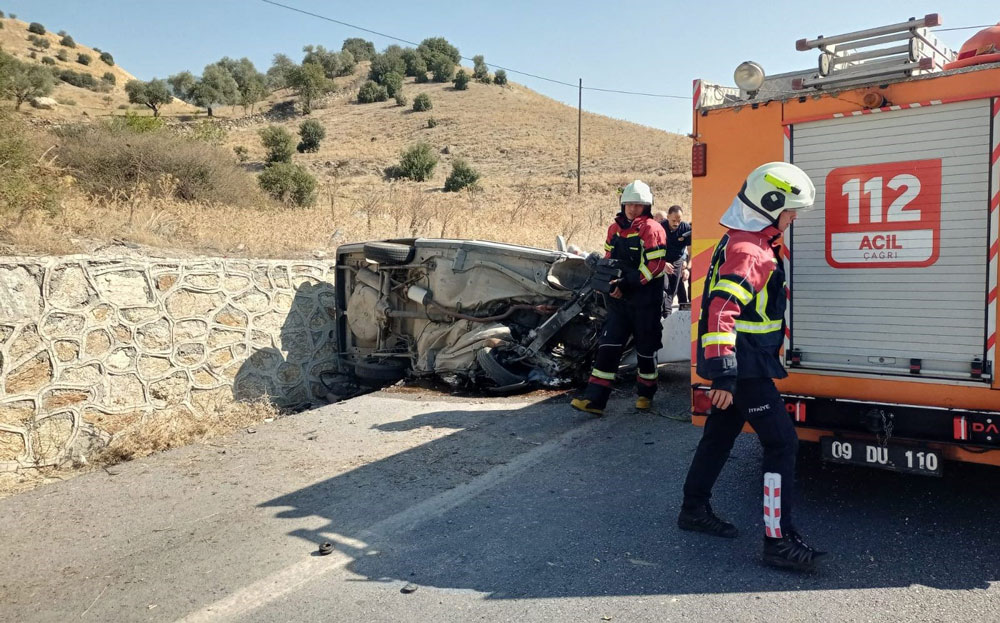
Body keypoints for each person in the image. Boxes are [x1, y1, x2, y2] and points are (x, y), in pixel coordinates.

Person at [677, 162, 829, 572]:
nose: (793, 219)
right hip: (745, 369)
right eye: (790, 211)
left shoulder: (743, 240)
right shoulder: (751, 251)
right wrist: (725, 374)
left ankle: (693, 510)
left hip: (744, 364)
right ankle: (778, 541)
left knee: (719, 436)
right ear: (770, 204)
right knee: (782, 444)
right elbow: (721, 310)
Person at [571, 180, 672, 416]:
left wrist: (625, 285)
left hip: (645, 302)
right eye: (629, 204)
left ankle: (645, 395)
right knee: (608, 347)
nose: (632, 209)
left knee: (646, 350)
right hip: (619, 302)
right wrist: (608, 285)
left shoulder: (652, 229)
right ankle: (594, 400)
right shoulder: (613, 230)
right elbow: (608, 261)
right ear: (622, 204)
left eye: (638, 205)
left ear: (646, 206)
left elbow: (655, 266)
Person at [657, 206, 692, 316]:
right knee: (664, 286)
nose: (676, 223)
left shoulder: (686, 228)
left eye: (679, 220)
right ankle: (665, 313)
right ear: (667, 217)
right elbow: (654, 248)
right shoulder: (660, 227)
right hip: (663, 260)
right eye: (673, 220)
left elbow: (691, 251)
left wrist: (687, 268)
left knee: (673, 289)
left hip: (678, 261)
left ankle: (667, 312)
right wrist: (662, 263)